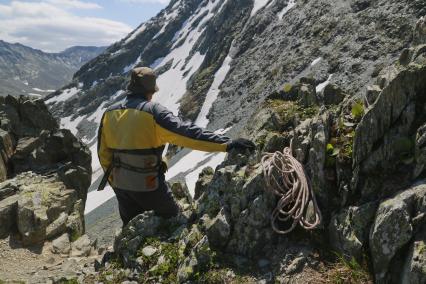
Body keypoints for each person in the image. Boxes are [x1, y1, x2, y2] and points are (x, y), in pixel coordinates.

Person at [97, 67, 256, 226]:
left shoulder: (109, 113)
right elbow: (187, 134)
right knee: (177, 225)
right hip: (149, 186)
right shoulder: (152, 112)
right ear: (150, 91)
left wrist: (117, 182)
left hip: (122, 189)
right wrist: (226, 144)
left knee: (131, 229)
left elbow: (103, 155)